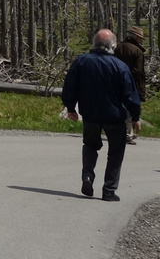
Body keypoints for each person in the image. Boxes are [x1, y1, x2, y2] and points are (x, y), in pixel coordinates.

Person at [61, 29, 142, 201]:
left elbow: (70, 85)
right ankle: (109, 190)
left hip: (90, 114)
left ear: (94, 43)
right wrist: (135, 117)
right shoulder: (120, 67)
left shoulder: (82, 61)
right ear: (113, 45)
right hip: (115, 117)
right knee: (116, 152)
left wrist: (70, 108)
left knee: (90, 146)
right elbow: (130, 95)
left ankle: (87, 176)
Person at [114, 27, 148, 144]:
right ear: (137, 37)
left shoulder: (116, 47)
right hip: (132, 84)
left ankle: (121, 133)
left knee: (119, 108)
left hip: (116, 83)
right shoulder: (137, 51)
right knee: (130, 109)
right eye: (140, 38)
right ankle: (128, 134)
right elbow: (138, 71)